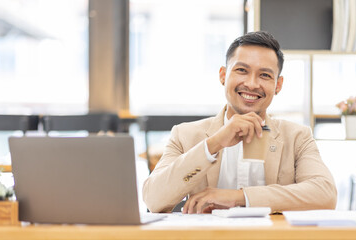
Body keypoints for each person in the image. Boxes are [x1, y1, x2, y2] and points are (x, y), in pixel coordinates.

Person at [143, 31, 337, 214]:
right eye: (242, 70)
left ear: (278, 85)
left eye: (265, 75)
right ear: (222, 75)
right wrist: (214, 143)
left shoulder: (297, 137)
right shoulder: (185, 135)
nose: (252, 84)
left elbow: (325, 194)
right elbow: (153, 199)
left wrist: (239, 197)